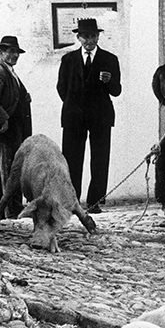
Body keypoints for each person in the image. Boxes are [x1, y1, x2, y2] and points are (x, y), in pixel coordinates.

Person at [56, 18, 122, 213]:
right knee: (71, 160)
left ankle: (94, 202)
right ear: (78, 37)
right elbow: (61, 87)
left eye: (93, 36)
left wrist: (109, 81)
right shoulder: (68, 60)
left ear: (98, 36)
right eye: (85, 36)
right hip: (73, 117)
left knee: (100, 159)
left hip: (101, 117)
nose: (89, 40)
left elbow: (116, 90)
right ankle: (71, 201)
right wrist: (73, 106)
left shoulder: (110, 59)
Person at [0, 36, 32, 219]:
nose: (14, 55)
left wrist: (24, 98)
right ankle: (13, 212)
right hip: (6, 132)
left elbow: (10, 97)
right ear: (1, 52)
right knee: (12, 171)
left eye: (16, 52)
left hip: (13, 131)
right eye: (9, 51)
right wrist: (3, 120)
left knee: (1, 171)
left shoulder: (10, 72)